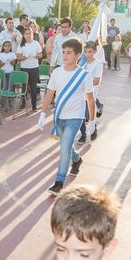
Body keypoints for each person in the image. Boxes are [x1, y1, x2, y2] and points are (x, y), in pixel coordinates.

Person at [38, 39, 95, 195]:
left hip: (75, 117)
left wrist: (92, 121)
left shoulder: (84, 75)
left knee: (64, 150)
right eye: (63, 52)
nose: (65, 55)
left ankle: (59, 181)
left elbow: (90, 98)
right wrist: (43, 113)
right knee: (66, 146)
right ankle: (77, 160)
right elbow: (49, 93)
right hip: (59, 117)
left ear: (78, 55)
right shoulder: (57, 72)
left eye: (69, 52)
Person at [78, 41, 102, 143]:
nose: (88, 54)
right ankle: (83, 134)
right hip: (80, 94)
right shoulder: (82, 63)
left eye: (90, 51)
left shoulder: (98, 64)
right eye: (86, 51)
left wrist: (83, 82)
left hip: (91, 94)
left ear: (95, 51)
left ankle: (93, 127)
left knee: (88, 116)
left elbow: (96, 81)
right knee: (80, 115)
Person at [16, 28, 43, 111]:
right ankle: (23, 103)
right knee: (24, 87)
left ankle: (34, 105)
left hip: (34, 68)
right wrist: (25, 56)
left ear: (32, 34)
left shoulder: (36, 43)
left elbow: (40, 55)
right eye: (26, 33)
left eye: (29, 33)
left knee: (33, 87)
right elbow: (18, 58)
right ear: (24, 35)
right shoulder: (21, 44)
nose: (28, 35)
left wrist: (35, 55)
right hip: (24, 68)